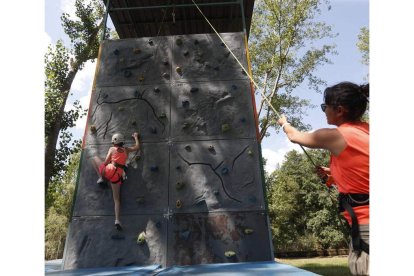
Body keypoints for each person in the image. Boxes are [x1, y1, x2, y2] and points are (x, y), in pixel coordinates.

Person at [277, 82, 369, 275]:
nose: (324, 111)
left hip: (367, 225)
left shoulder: (336, 136)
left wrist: (284, 123)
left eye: (324, 106)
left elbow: (295, 136)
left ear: (340, 110)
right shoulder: (367, 131)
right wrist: (333, 173)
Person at [92, 132, 140, 231]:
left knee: (95, 159)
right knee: (117, 199)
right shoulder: (126, 150)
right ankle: (117, 220)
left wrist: (109, 162)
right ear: (122, 141)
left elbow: (105, 162)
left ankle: (101, 177)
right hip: (117, 176)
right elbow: (137, 147)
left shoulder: (112, 149)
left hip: (107, 171)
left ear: (114, 142)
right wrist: (135, 137)